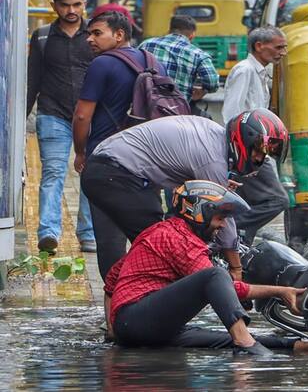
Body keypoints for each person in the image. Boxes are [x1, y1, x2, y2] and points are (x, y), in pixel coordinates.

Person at [104, 180, 308, 355]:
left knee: (223, 339)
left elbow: (112, 278)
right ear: (199, 213)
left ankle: (300, 345)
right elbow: (223, 285)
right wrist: (281, 291)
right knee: (215, 275)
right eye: (219, 218)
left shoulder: (159, 231)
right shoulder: (180, 240)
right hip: (137, 321)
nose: (222, 225)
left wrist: (114, 330)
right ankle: (246, 344)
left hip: (140, 328)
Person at [80, 110, 288, 282]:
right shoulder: (212, 159)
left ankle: (116, 317)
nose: (261, 158)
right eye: (259, 151)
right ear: (246, 140)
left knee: (114, 249)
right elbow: (224, 217)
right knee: (161, 246)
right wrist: (236, 269)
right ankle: (144, 310)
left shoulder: (214, 137)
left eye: (266, 155)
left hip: (103, 168)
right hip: (116, 173)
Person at [73, 10, 167, 275]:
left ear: (119, 34)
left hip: (107, 161)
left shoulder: (102, 64)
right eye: (89, 33)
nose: (90, 39)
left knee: (109, 240)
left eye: (96, 33)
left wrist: (80, 153)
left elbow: (82, 115)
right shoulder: (153, 62)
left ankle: (116, 303)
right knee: (147, 234)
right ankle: (149, 290)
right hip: (148, 162)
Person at [26, 0, 96, 254]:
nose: (71, 11)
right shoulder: (42, 37)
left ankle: (88, 234)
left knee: (89, 174)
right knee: (53, 173)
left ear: (84, 4)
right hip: (52, 113)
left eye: (76, 5)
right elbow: (33, 80)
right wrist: (21, 121)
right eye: (65, 5)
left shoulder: (94, 36)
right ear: (54, 5)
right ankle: (48, 233)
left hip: (89, 116)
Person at [222, 26, 290, 245]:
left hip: (259, 148)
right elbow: (231, 114)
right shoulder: (245, 71)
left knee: (249, 201)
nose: (283, 52)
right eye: (278, 47)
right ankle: (232, 229)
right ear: (259, 46)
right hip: (249, 149)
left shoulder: (260, 72)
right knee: (277, 200)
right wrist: (243, 155)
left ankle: (239, 243)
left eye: (284, 47)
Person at [138, 15, 219, 105]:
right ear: (192, 35)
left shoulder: (145, 44)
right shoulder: (198, 54)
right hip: (177, 111)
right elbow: (212, 83)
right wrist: (203, 91)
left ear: (169, 31)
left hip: (144, 107)